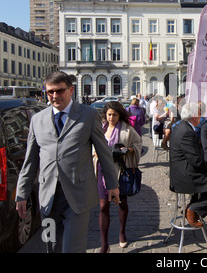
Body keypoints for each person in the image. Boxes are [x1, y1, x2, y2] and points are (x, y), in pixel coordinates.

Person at [15, 71, 120, 253]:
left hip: (77, 196)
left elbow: (104, 153)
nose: (54, 96)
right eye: (50, 92)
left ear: (70, 90)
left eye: (59, 91)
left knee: (72, 248)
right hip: (47, 199)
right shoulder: (37, 120)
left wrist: (112, 184)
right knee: (52, 247)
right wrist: (22, 194)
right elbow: (30, 161)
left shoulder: (88, 115)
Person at [96, 101, 142, 253]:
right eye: (109, 114)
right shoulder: (100, 129)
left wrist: (128, 150)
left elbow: (138, 143)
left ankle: (122, 232)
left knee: (121, 203)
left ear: (119, 115)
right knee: (103, 206)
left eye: (114, 115)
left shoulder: (127, 130)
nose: (111, 117)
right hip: (101, 171)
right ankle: (104, 244)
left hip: (119, 171)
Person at [169, 102, 207, 227]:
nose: (201, 117)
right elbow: (196, 160)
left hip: (182, 171)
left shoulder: (181, 126)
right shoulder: (186, 131)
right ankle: (193, 210)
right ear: (194, 115)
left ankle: (191, 208)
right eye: (199, 114)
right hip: (185, 175)